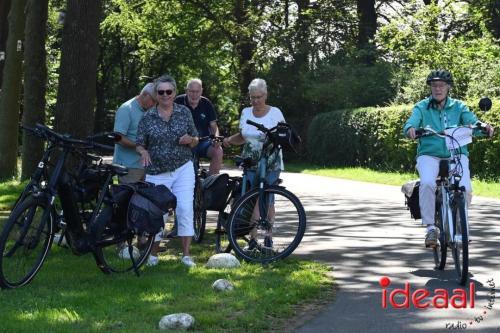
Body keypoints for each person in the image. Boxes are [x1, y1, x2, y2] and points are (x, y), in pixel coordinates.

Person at [403, 69, 494, 248]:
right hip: (429, 154)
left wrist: (484, 127)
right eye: (434, 85)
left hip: (457, 154)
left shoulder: (459, 107)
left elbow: (472, 122)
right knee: (428, 183)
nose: (438, 89)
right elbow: (411, 123)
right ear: (430, 88)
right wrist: (411, 130)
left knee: (465, 188)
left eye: (442, 85)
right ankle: (430, 227)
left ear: (448, 87)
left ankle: (461, 226)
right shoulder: (421, 107)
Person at [135, 74, 199, 267]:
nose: (165, 95)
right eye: (161, 92)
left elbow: (196, 138)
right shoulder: (148, 117)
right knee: (158, 213)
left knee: (185, 208)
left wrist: (191, 140)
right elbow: (139, 143)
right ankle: (153, 255)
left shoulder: (184, 112)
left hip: (183, 168)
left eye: (168, 91)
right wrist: (143, 151)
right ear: (156, 94)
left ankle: (186, 255)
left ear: (174, 93)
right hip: (157, 171)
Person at [223, 78, 285, 251]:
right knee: (251, 198)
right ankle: (253, 239)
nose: (255, 101)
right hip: (250, 161)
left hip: (270, 161)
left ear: (265, 95)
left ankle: (267, 238)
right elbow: (243, 135)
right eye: (252, 97)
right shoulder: (246, 112)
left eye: (259, 97)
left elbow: (283, 134)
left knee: (265, 198)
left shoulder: (275, 113)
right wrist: (228, 140)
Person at [174, 78, 223, 175]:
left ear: (201, 91)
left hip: (203, 142)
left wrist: (217, 138)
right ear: (186, 90)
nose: (194, 94)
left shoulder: (206, 103)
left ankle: (212, 183)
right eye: (191, 91)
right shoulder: (177, 102)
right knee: (191, 170)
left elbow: (213, 125)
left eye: (197, 91)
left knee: (218, 151)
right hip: (184, 143)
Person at [113, 83, 156, 184]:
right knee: (123, 198)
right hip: (127, 167)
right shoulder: (127, 109)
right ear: (145, 94)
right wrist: (139, 147)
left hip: (146, 167)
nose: (154, 105)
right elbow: (117, 138)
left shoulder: (149, 111)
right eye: (153, 101)